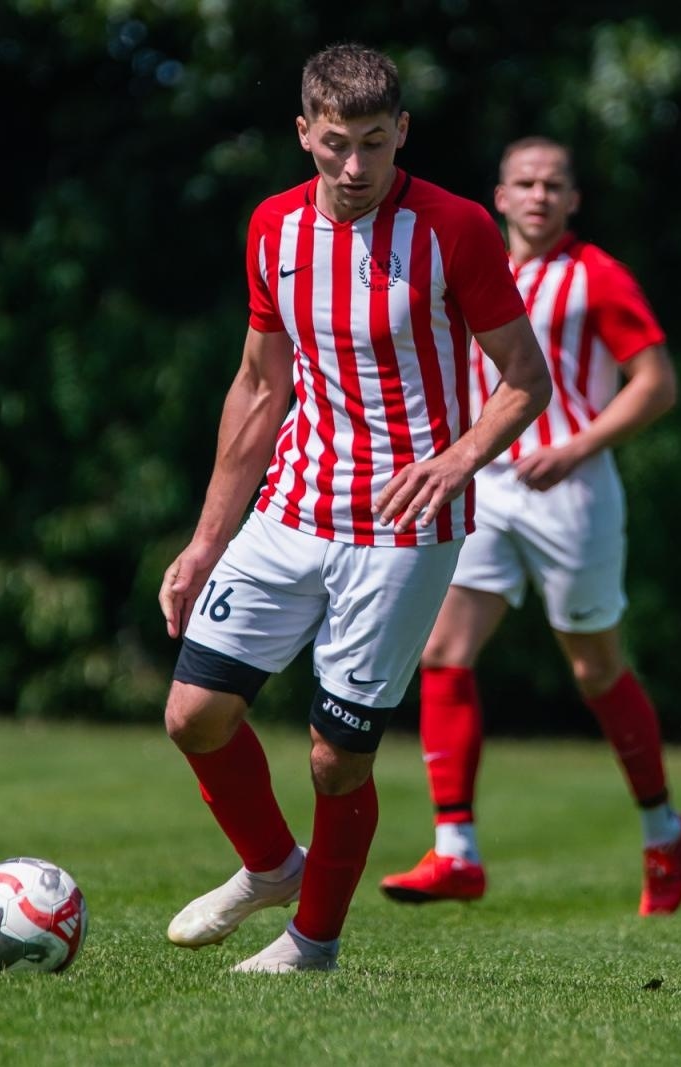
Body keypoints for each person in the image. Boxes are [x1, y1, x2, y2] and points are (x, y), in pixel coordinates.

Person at [155, 44, 551, 973]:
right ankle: (270, 867)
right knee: (194, 713)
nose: (357, 166)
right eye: (337, 143)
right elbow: (258, 389)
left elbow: (523, 380)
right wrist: (207, 537)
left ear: (402, 131)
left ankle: (313, 944)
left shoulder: (454, 230)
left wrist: (456, 460)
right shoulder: (272, 230)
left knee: (338, 759)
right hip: (294, 507)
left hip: (406, 531)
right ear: (305, 134)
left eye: (376, 142)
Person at [378, 137, 681, 915]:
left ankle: (662, 827)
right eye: (526, 183)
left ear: (573, 200)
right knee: (445, 648)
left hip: (572, 493)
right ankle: (456, 850)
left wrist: (579, 445)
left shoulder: (597, 275)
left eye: (555, 184)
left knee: (594, 671)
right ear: (501, 195)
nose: (540, 196)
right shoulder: (479, 263)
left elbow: (657, 383)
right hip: (486, 484)